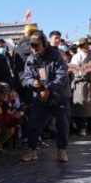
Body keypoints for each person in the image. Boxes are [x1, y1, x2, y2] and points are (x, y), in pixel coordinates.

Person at [21, 30, 72, 162]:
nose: (34, 48)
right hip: (40, 98)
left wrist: (49, 89)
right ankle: (32, 150)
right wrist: (33, 83)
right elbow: (26, 77)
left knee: (62, 125)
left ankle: (62, 150)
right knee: (34, 124)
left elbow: (62, 76)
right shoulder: (31, 59)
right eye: (32, 45)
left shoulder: (56, 56)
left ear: (44, 44)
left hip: (59, 97)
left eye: (37, 45)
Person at [70, 37, 91, 136]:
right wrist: (84, 72)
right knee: (81, 107)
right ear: (80, 47)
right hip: (81, 83)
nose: (85, 46)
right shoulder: (76, 57)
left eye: (86, 44)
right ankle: (82, 128)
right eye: (83, 45)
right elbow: (74, 70)